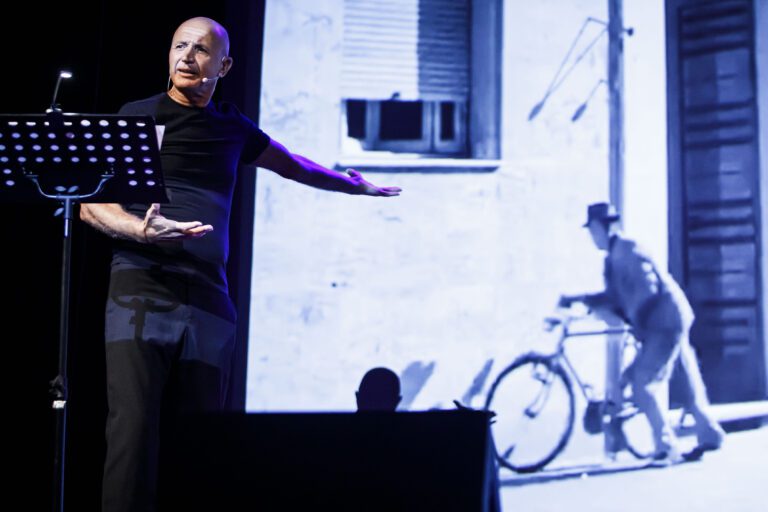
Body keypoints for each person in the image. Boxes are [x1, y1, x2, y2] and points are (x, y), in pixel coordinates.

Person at [79, 16, 401, 512]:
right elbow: (91, 205)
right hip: (139, 289)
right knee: (134, 431)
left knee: (203, 439)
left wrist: (352, 185)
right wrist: (141, 230)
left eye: (201, 49)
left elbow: (293, 164)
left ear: (224, 64)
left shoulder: (233, 127)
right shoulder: (136, 117)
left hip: (208, 298)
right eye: (179, 46)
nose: (187, 56)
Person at [559, 202, 725, 463]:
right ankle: (710, 435)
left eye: (594, 230)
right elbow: (613, 296)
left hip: (664, 323)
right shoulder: (614, 256)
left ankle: (664, 446)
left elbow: (647, 290)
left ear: (607, 227)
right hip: (669, 320)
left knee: (641, 384)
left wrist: (635, 319)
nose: (593, 237)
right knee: (686, 384)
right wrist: (580, 299)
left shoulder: (627, 250)